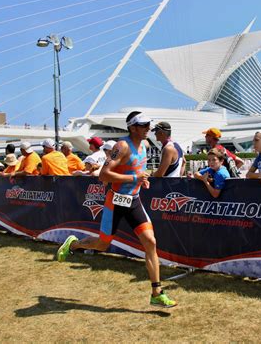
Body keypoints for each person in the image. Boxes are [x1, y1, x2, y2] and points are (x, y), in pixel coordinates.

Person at [56, 111, 176, 308]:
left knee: (150, 242)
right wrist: (133, 179)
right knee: (103, 245)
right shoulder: (122, 146)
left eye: (149, 125)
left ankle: (157, 292)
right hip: (116, 201)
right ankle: (74, 245)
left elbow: (136, 170)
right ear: (132, 127)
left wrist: (141, 180)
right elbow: (104, 174)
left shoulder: (145, 145)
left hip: (134, 201)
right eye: (144, 125)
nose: (148, 129)